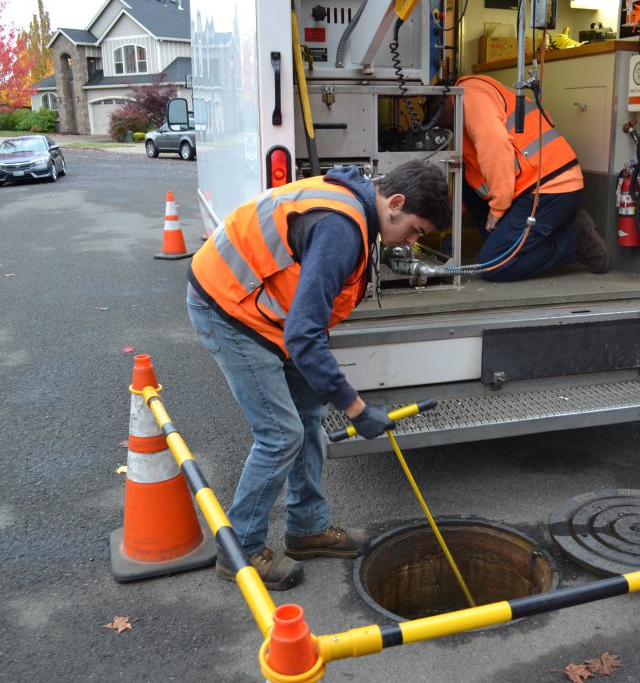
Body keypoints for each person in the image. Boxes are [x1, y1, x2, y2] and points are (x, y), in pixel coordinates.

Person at [186, 160, 451, 590]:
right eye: (417, 230)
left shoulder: (359, 211)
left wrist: (337, 397)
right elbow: (305, 337)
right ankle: (240, 549)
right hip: (229, 307)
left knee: (309, 417)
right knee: (281, 433)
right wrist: (357, 409)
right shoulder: (341, 230)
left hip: (269, 309)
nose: (413, 242)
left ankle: (307, 528)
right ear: (396, 202)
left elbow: (307, 326)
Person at [440, 74, 609, 282]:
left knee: (495, 265)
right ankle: (503, 247)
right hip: (537, 185)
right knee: (468, 185)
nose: (437, 125)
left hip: (549, 188)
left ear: (442, 101)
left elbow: (495, 145)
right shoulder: (480, 94)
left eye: (434, 116)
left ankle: (574, 238)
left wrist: (498, 207)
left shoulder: (469, 94)